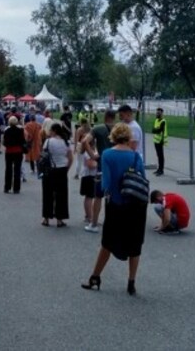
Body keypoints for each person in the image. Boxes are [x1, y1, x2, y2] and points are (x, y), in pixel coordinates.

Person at [81, 123, 147, 295]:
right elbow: (142, 178)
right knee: (134, 244)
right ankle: (131, 282)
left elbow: (106, 184)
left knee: (107, 243)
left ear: (113, 137)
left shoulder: (107, 154)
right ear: (128, 136)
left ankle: (95, 277)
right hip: (135, 206)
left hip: (116, 205)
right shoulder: (135, 156)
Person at [82, 110, 116, 233]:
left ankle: (94, 223)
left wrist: (92, 155)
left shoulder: (98, 128)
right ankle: (113, 223)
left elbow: (84, 141)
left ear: (106, 116)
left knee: (98, 196)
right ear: (114, 117)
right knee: (114, 195)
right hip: (116, 164)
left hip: (102, 164)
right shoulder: (119, 129)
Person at [41, 122, 73, 227]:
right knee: (62, 195)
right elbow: (70, 158)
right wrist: (66, 169)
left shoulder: (48, 141)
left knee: (47, 194)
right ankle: (60, 219)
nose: (49, 132)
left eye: (50, 130)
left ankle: (46, 218)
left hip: (50, 170)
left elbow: (44, 155)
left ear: (54, 131)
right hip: (62, 169)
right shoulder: (66, 142)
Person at [2, 116, 26, 194]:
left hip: (9, 151)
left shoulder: (6, 130)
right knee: (17, 169)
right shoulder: (20, 130)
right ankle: (16, 188)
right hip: (18, 151)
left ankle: (7, 187)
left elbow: (4, 142)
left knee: (8, 169)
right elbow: (23, 141)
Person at [79, 136, 98, 225]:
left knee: (89, 197)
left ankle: (88, 216)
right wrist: (98, 162)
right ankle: (90, 217)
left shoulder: (89, 152)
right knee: (89, 197)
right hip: (89, 175)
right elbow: (91, 164)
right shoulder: (89, 153)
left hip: (87, 175)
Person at [152, 108, 167, 176]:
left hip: (160, 140)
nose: (157, 114)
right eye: (157, 113)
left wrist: (156, 129)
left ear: (161, 113)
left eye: (158, 113)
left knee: (161, 156)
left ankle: (161, 170)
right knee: (158, 155)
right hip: (156, 140)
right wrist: (156, 129)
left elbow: (159, 130)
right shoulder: (156, 120)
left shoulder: (163, 121)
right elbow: (153, 130)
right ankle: (159, 169)